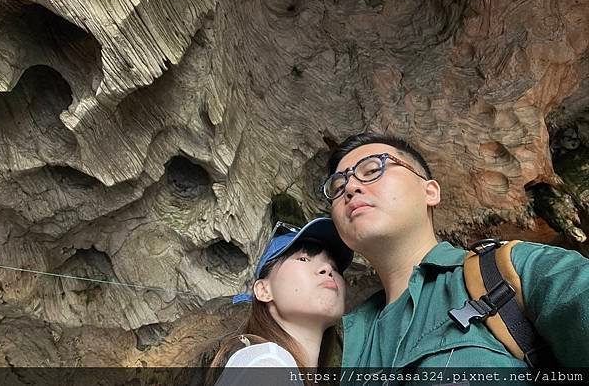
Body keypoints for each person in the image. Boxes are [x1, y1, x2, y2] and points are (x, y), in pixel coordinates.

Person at [321, 131, 589, 368]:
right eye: (338, 187)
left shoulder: (509, 270)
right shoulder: (337, 343)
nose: (351, 188)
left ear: (430, 192)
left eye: (371, 170)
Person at [208, 218, 353, 385]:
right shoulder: (268, 364)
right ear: (263, 290)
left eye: (334, 267)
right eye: (304, 259)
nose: (328, 269)